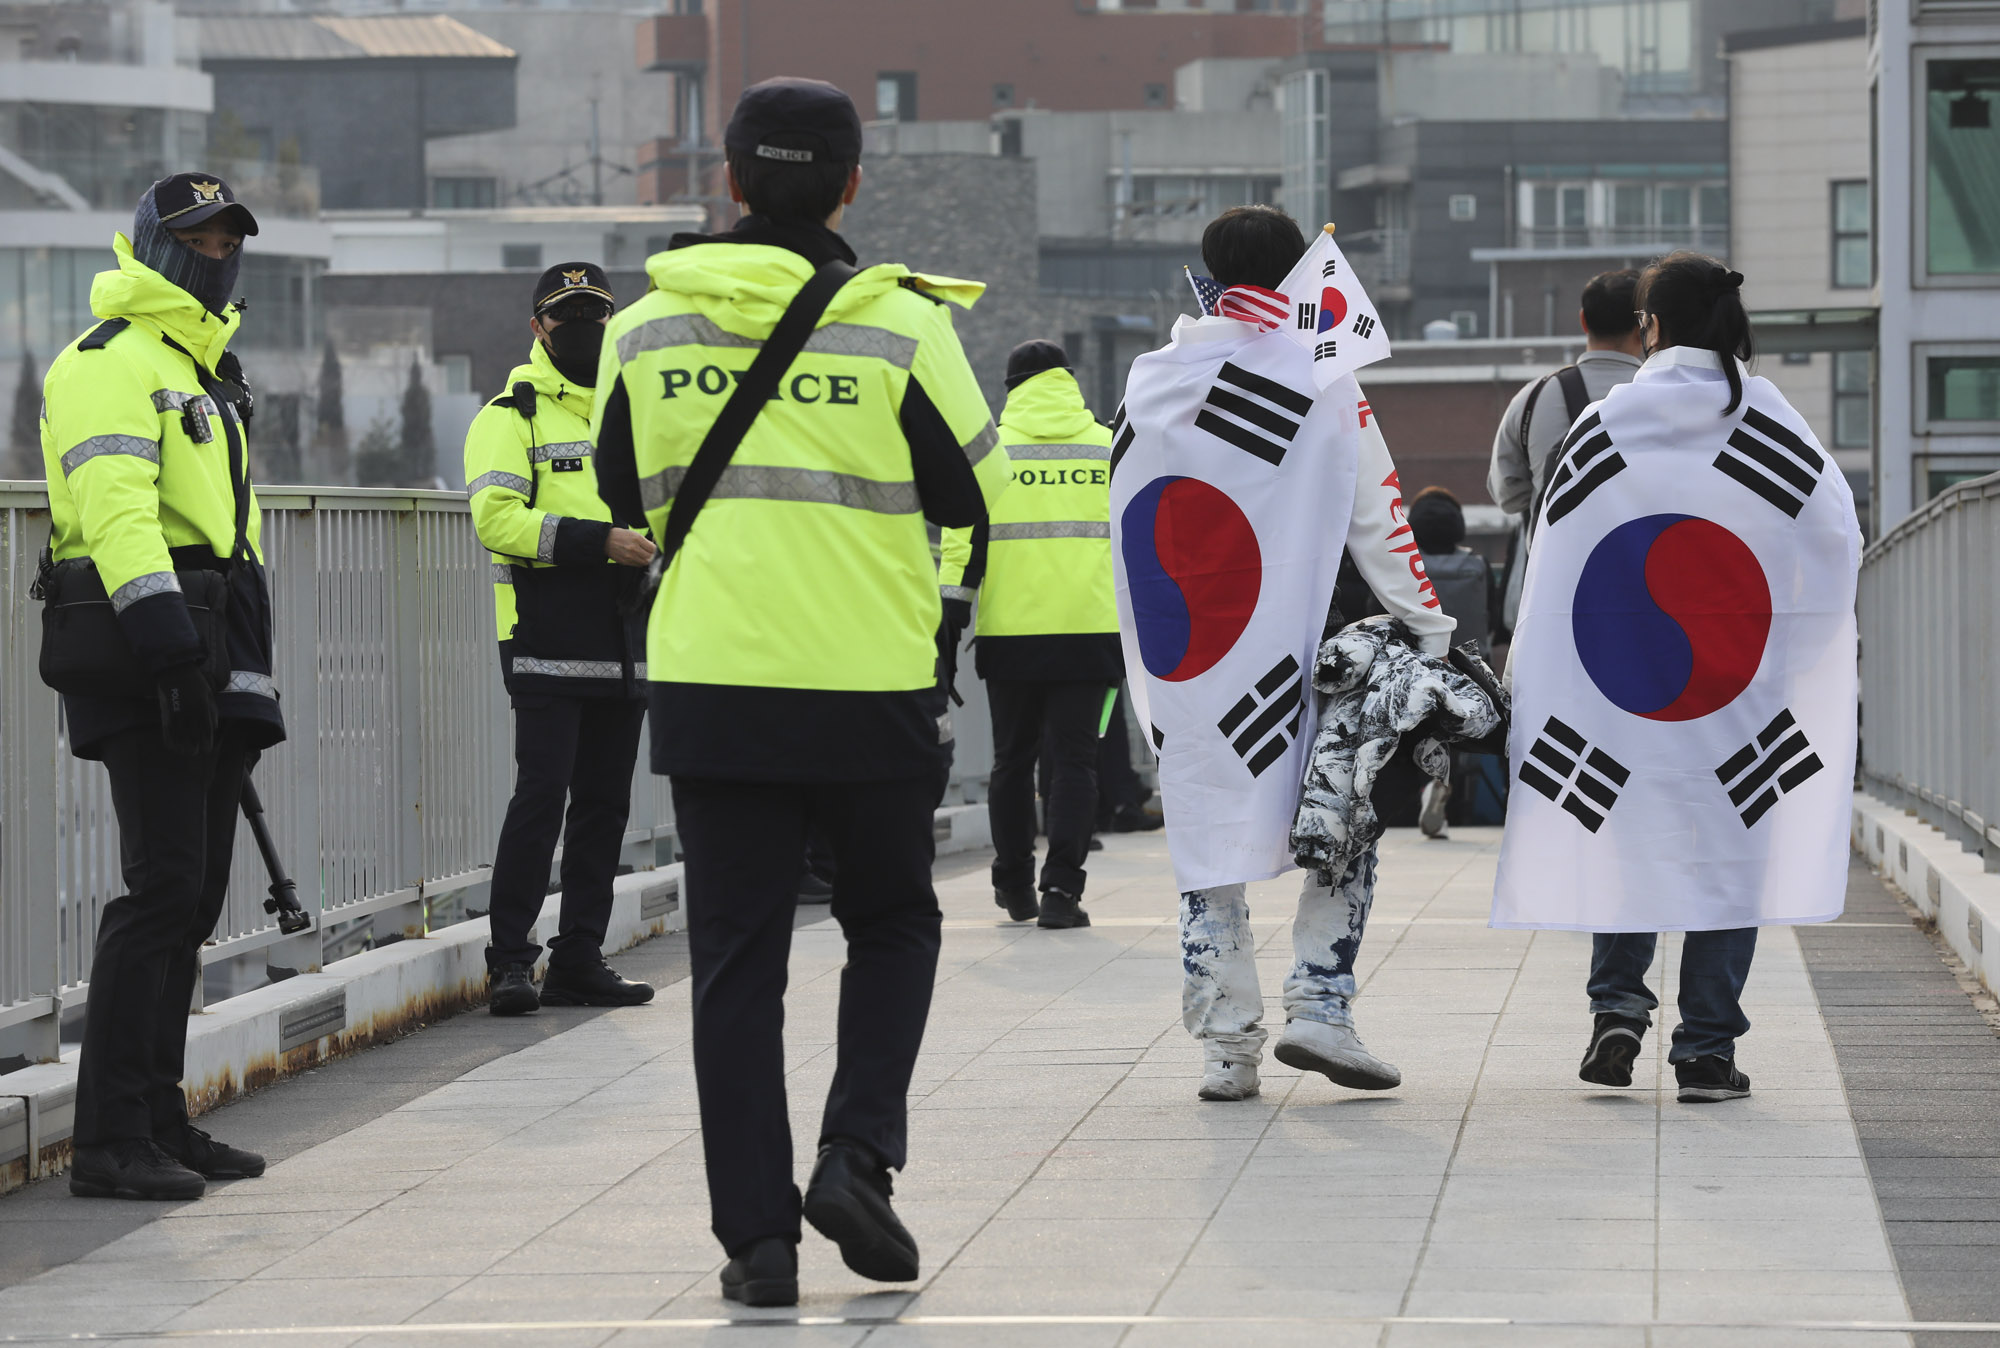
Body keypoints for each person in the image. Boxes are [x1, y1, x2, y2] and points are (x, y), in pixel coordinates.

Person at [592, 78, 1011, 1307]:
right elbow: (972, 493)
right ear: (850, 185)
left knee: (736, 961)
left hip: (714, 681)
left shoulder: (641, 329)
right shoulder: (902, 324)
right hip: (867, 680)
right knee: (891, 923)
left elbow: (619, 493)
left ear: (728, 180)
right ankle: (855, 1158)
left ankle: (757, 1244)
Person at [1492, 251, 1861, 1104]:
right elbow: (1835, 542)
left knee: (1627, 831)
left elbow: (1555, 559)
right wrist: (1797, 655)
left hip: (1619, 682)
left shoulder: (1608, 425)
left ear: (1650, 326)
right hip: (1742, 682)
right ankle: (1706, 1050)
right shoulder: (1769, 420)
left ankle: (1617, 1012)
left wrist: (1545, 678)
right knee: (1733, 849)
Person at [1113, 205, 1455, 1105]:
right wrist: (1432, 632)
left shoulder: (1151, 383)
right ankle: (1321, 1006)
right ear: (1301, 272)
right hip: (1308, 648)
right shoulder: (1321, 377)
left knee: (1206, 842)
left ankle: (1226, 1049)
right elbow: (1382, 518)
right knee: (1343, 819)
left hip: (1188, 652)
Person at [41, 173, 282, 1200]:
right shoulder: (110, 361)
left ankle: (157, 1115)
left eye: (229, 241)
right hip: (149, 652)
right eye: (199, 239)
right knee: (161, 890)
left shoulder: (202, 366)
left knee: (194, 895)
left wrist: (221, 664)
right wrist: (172, 653)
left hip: (208, 649)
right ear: (152, 245)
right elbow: (118, 514)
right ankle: (106, 1140)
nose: (217, 255)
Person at [463, 262, 658, 1016]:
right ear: (538, 327)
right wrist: (598, 541)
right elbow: (497, 521)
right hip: (544, 635)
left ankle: (579, 958)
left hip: (626, 637)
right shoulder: (509, 416)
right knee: (541, 797)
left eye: (593, 314)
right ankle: (511, 962)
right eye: (565, 315)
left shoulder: (634, 411)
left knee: (605, 806)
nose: (581, 328)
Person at [938, 339, 1119, 929]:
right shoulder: (1108, 446)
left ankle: (1014, 885)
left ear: (1012, 387)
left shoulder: (991, 452)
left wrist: (952, 614)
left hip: (1010, 635)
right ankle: (1062, 892)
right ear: (1069, 380)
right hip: (1090, 631)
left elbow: (963, 538)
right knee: (1075, 763)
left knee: (1011, 762)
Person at [1488, 268, 1644, 628]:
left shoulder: (1533, 398)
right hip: (1643, 588)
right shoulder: (1664, 400)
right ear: (1645, 326)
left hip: (1555, 595)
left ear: (1583, 320)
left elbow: (1507, 495)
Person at [1405, 486, 1500, 838]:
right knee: (1459, 728)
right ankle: (1444, 786)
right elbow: (1493, 618)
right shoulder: (1477, 565)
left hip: (1416, 664)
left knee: (1417, 728)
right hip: (1468, 666)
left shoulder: (1407, 567)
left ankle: (1424, 784)